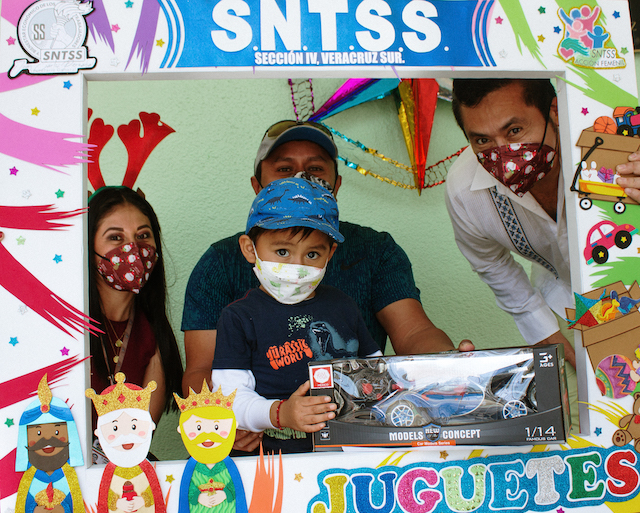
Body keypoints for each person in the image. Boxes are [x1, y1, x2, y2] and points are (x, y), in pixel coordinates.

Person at [182, 120, 472, 395]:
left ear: (336, 185)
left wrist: (447, 365)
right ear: (257, 187)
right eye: (284, 169)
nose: (301, 178)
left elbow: (413, 333)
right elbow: (201, 370)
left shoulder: (375, 250)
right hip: (259, 426)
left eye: (315, 169)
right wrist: (239, 417)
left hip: (352, 420)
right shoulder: (220, 262)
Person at [210, 177, 382, 453]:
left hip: (347, 456)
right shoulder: (238, 318)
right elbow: (229, 400)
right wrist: (280, 414)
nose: (298, 266)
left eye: (312, 254)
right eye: (282, 251)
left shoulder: (343, 305)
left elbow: (379, 371)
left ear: (330, 253)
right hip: (275, 461)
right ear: (249, 249)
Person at [88, 187, 183, 429]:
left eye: (143, 235)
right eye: (115, 237)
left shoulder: (152, 334)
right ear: (87, 246)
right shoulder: (66, 327)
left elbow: (141, 436)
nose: (133, 249)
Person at [86, 373, 165, 513]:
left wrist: (143, 500)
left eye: (134, 427)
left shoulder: (147, 468)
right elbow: (105, 498)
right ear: (99, 433)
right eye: (115, 428)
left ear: (151, 426)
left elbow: (155, 494)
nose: (126, 435)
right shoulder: (109, 472)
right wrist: (117, 503)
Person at [174, 381, 247, 513]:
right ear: (182, 430)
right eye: (198, 428)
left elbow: (235, 486)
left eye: (216, 427)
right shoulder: (192, 467)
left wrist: (224, 494)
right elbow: (187, 489)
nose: (207, 435)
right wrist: (198, 497)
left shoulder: (228, 465)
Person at [15, 375, 85, 513]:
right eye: (38, 433)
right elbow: (22, 507)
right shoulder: (28, 478)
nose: (47, 438)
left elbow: (76, 506)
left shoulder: (69, 476)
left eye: (57, 432)